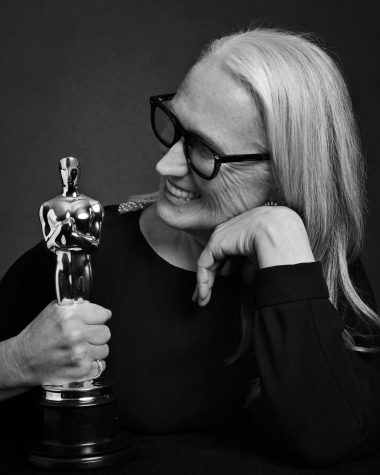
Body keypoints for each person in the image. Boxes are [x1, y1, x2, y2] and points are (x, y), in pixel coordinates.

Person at [0, 27, 379, 467]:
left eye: (203, 149)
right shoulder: (85, 250)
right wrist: (18, 360)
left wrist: (281, 237)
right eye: (176, 126)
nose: (165, 164)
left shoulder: (320, 268)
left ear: (287, 172)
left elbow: (330, 436)